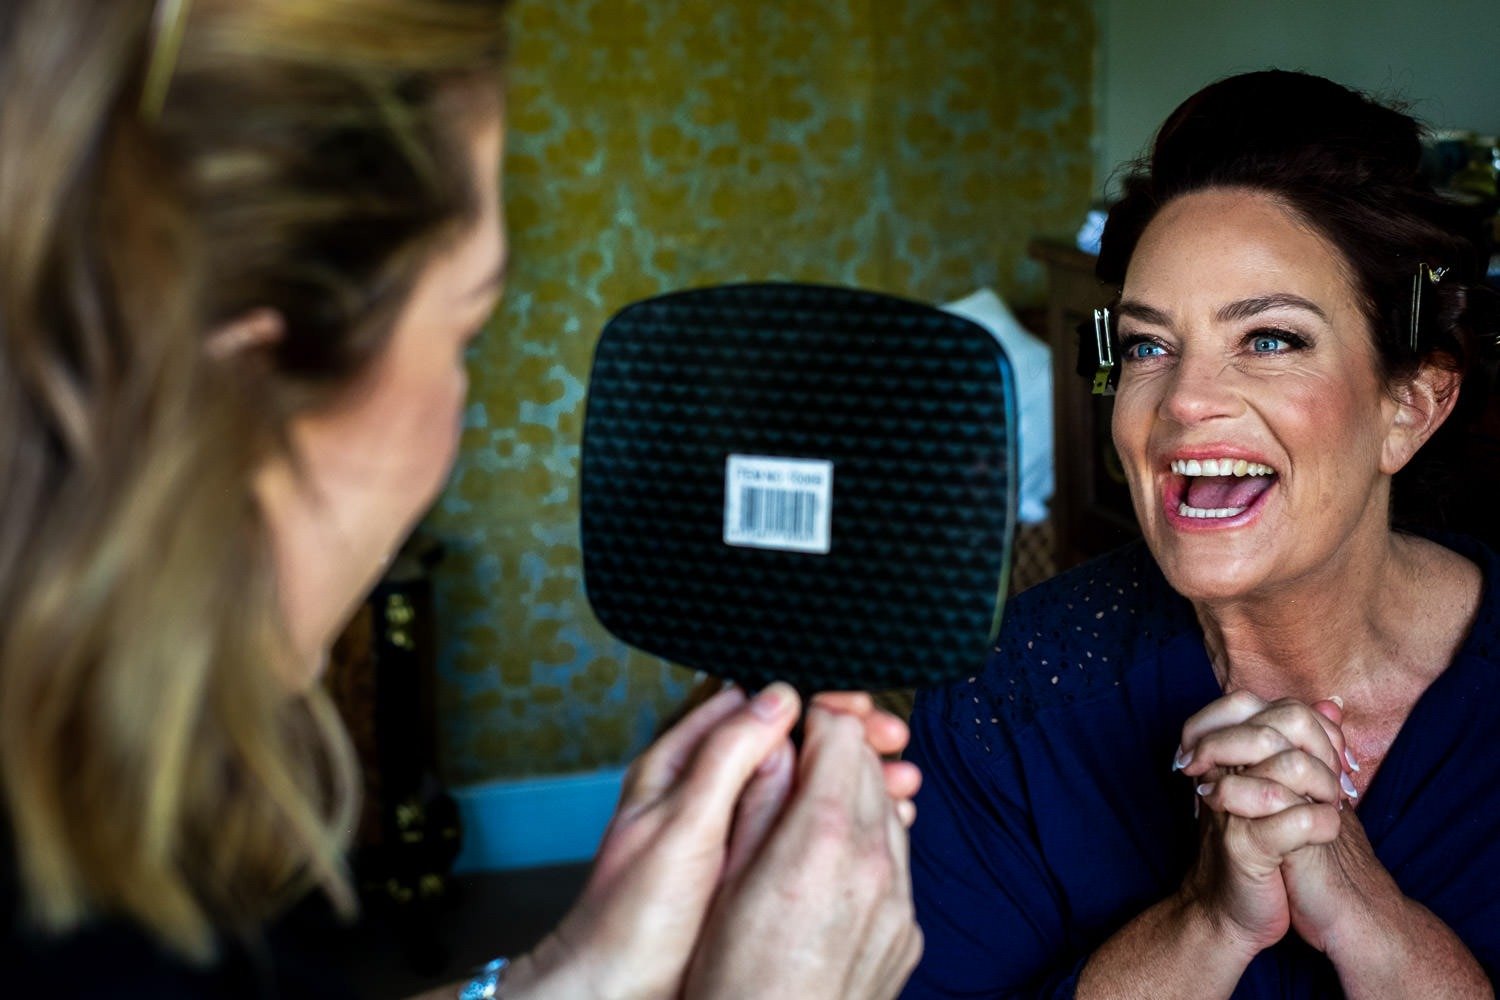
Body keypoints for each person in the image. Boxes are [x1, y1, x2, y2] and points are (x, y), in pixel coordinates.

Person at [0, 1, 923, 996]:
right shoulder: (105, 936)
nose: (461, 413)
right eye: (463, 333)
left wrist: (578, 972)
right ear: (248, 379)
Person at [901, 70, 1500, 998]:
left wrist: (1373, 919)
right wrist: (1205, 923)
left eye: (1269, 339)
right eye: (1146, 345)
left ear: (1410, 404)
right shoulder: (1006, 699)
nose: (1181, 401)